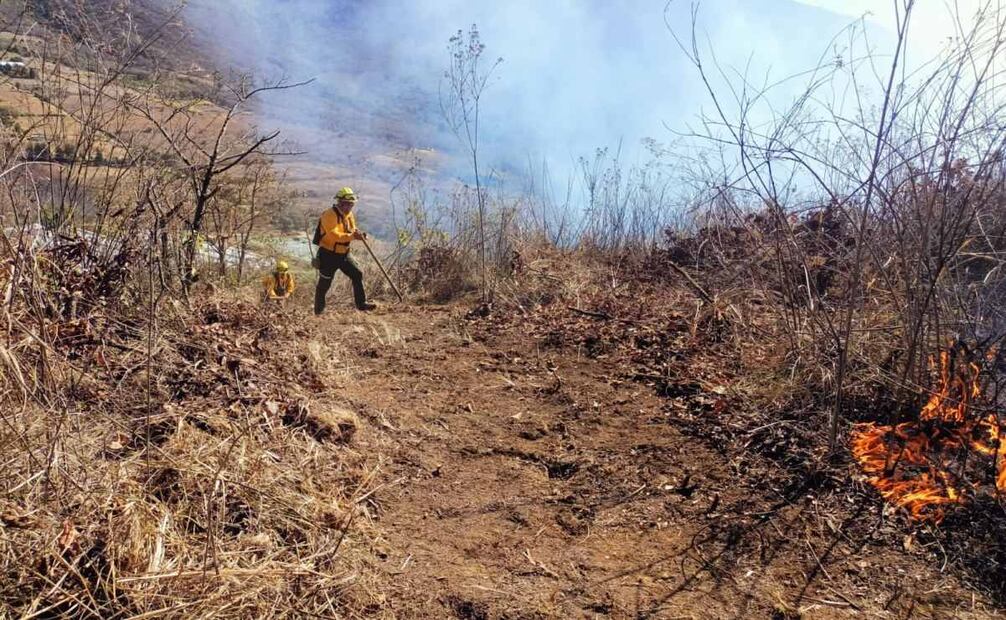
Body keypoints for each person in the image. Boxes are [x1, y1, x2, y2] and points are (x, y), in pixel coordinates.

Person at [312, 187, 376, 314]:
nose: (350, 207)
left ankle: (361, 304)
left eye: (351, 204)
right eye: (347, 204)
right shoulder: (329, 215)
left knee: (357, 274)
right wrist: (352, 236)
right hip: (328, 255)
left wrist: (359, 235)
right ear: (340, 202)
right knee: (324, 284)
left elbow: (352, 229)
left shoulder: (349, 215)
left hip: (344, 254)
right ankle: (319, 312)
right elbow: (334, 235)